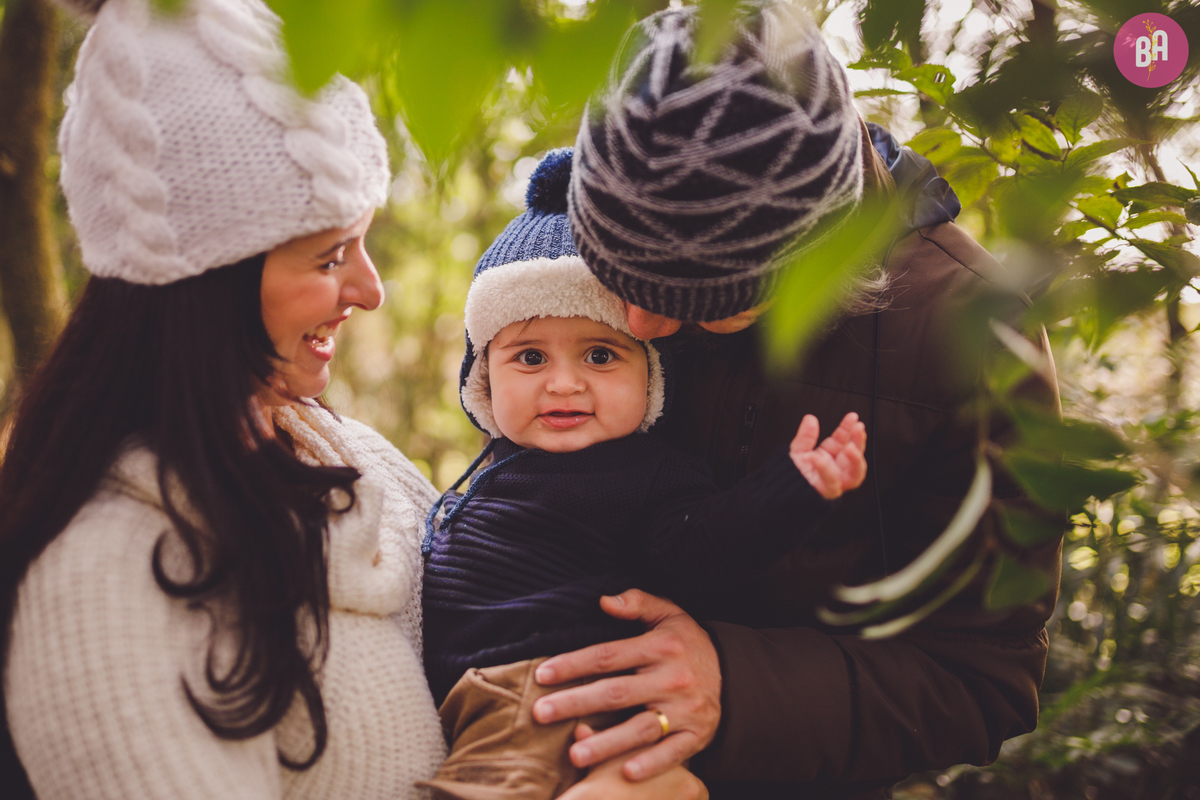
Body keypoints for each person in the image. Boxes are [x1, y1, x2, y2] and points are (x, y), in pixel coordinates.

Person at [0, 2, 705, 799]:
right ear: (205, 286)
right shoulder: (103, 575)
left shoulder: (360, 461)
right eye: (331, 256)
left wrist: (688, 664)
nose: (370, 290)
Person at [518, 4, 1063, 799]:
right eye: (616, 283)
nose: (636, 326)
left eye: (695, 304)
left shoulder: (973, 336)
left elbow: (982, 679)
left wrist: (733, 687)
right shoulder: (584, 231)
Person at [418, 149, 867, 799]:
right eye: (530, 357)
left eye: (601, 355)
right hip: (465, 698)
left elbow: (708, 545)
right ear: (484, 379)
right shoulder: (494, 469)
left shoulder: (643, 474)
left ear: (652, 379)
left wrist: (792, 487)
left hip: (548, 694)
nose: (563, 383)